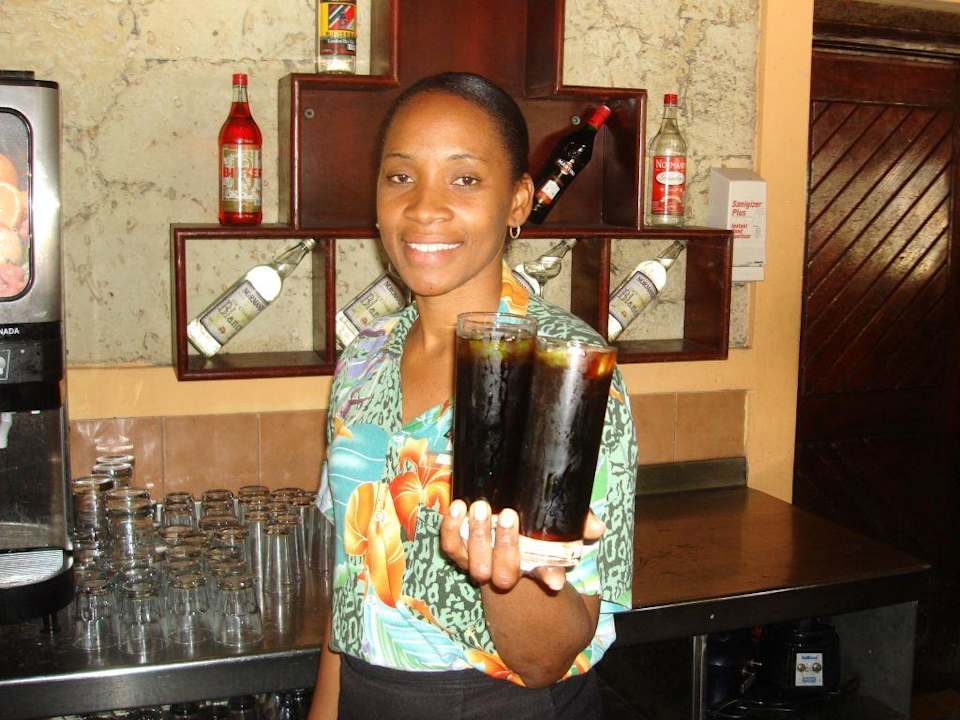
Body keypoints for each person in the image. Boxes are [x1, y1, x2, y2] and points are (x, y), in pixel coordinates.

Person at [310, 72, 637, 720]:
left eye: (464, 179)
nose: (423, 207)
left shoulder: (567, 372)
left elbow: (545, 659)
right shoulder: (363, 359)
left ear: (518, 202)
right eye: (400, 176)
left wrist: (508, 572)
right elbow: (353, 590)